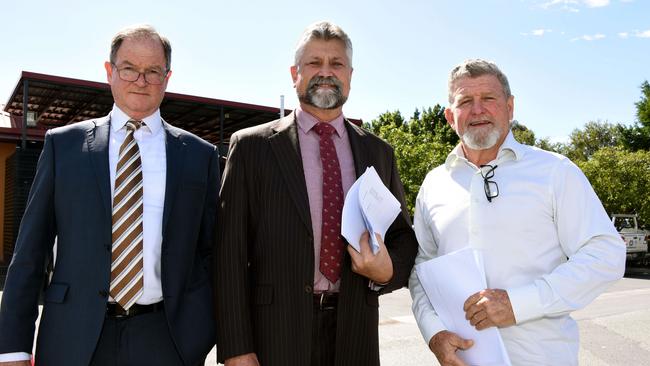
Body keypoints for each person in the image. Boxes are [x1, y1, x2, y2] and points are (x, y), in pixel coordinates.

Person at [0, 25, 219, 366]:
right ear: (110, 71)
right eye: (129, 68)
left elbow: (211, 254)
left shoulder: (199, 155)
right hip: (74, 336)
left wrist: (201, 329)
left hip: (167, 339)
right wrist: (13, 347)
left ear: (167, 77)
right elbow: (30, 250)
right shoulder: (64, 146)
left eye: (153, 71)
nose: (141, 80)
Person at [215, 21, 418, 366]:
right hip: (273, 335)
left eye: (336, 63)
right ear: (295, 73)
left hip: (355, 334)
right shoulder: (251, 147)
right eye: (314, 63)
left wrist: (386, 271)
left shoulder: (378, 152)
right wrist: (235, 347)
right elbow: (228, 254)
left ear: (350, 74)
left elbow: (403, 239)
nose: (326, 73)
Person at [409, 59, 626, 366]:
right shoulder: (433, 184)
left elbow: (606, 254)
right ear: (449, 116)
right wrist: (434, 333)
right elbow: (422, 270)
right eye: (465, 101)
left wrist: (518, 303)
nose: (477, 110)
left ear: (510, 107)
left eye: (489, 99)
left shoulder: (555, 172)